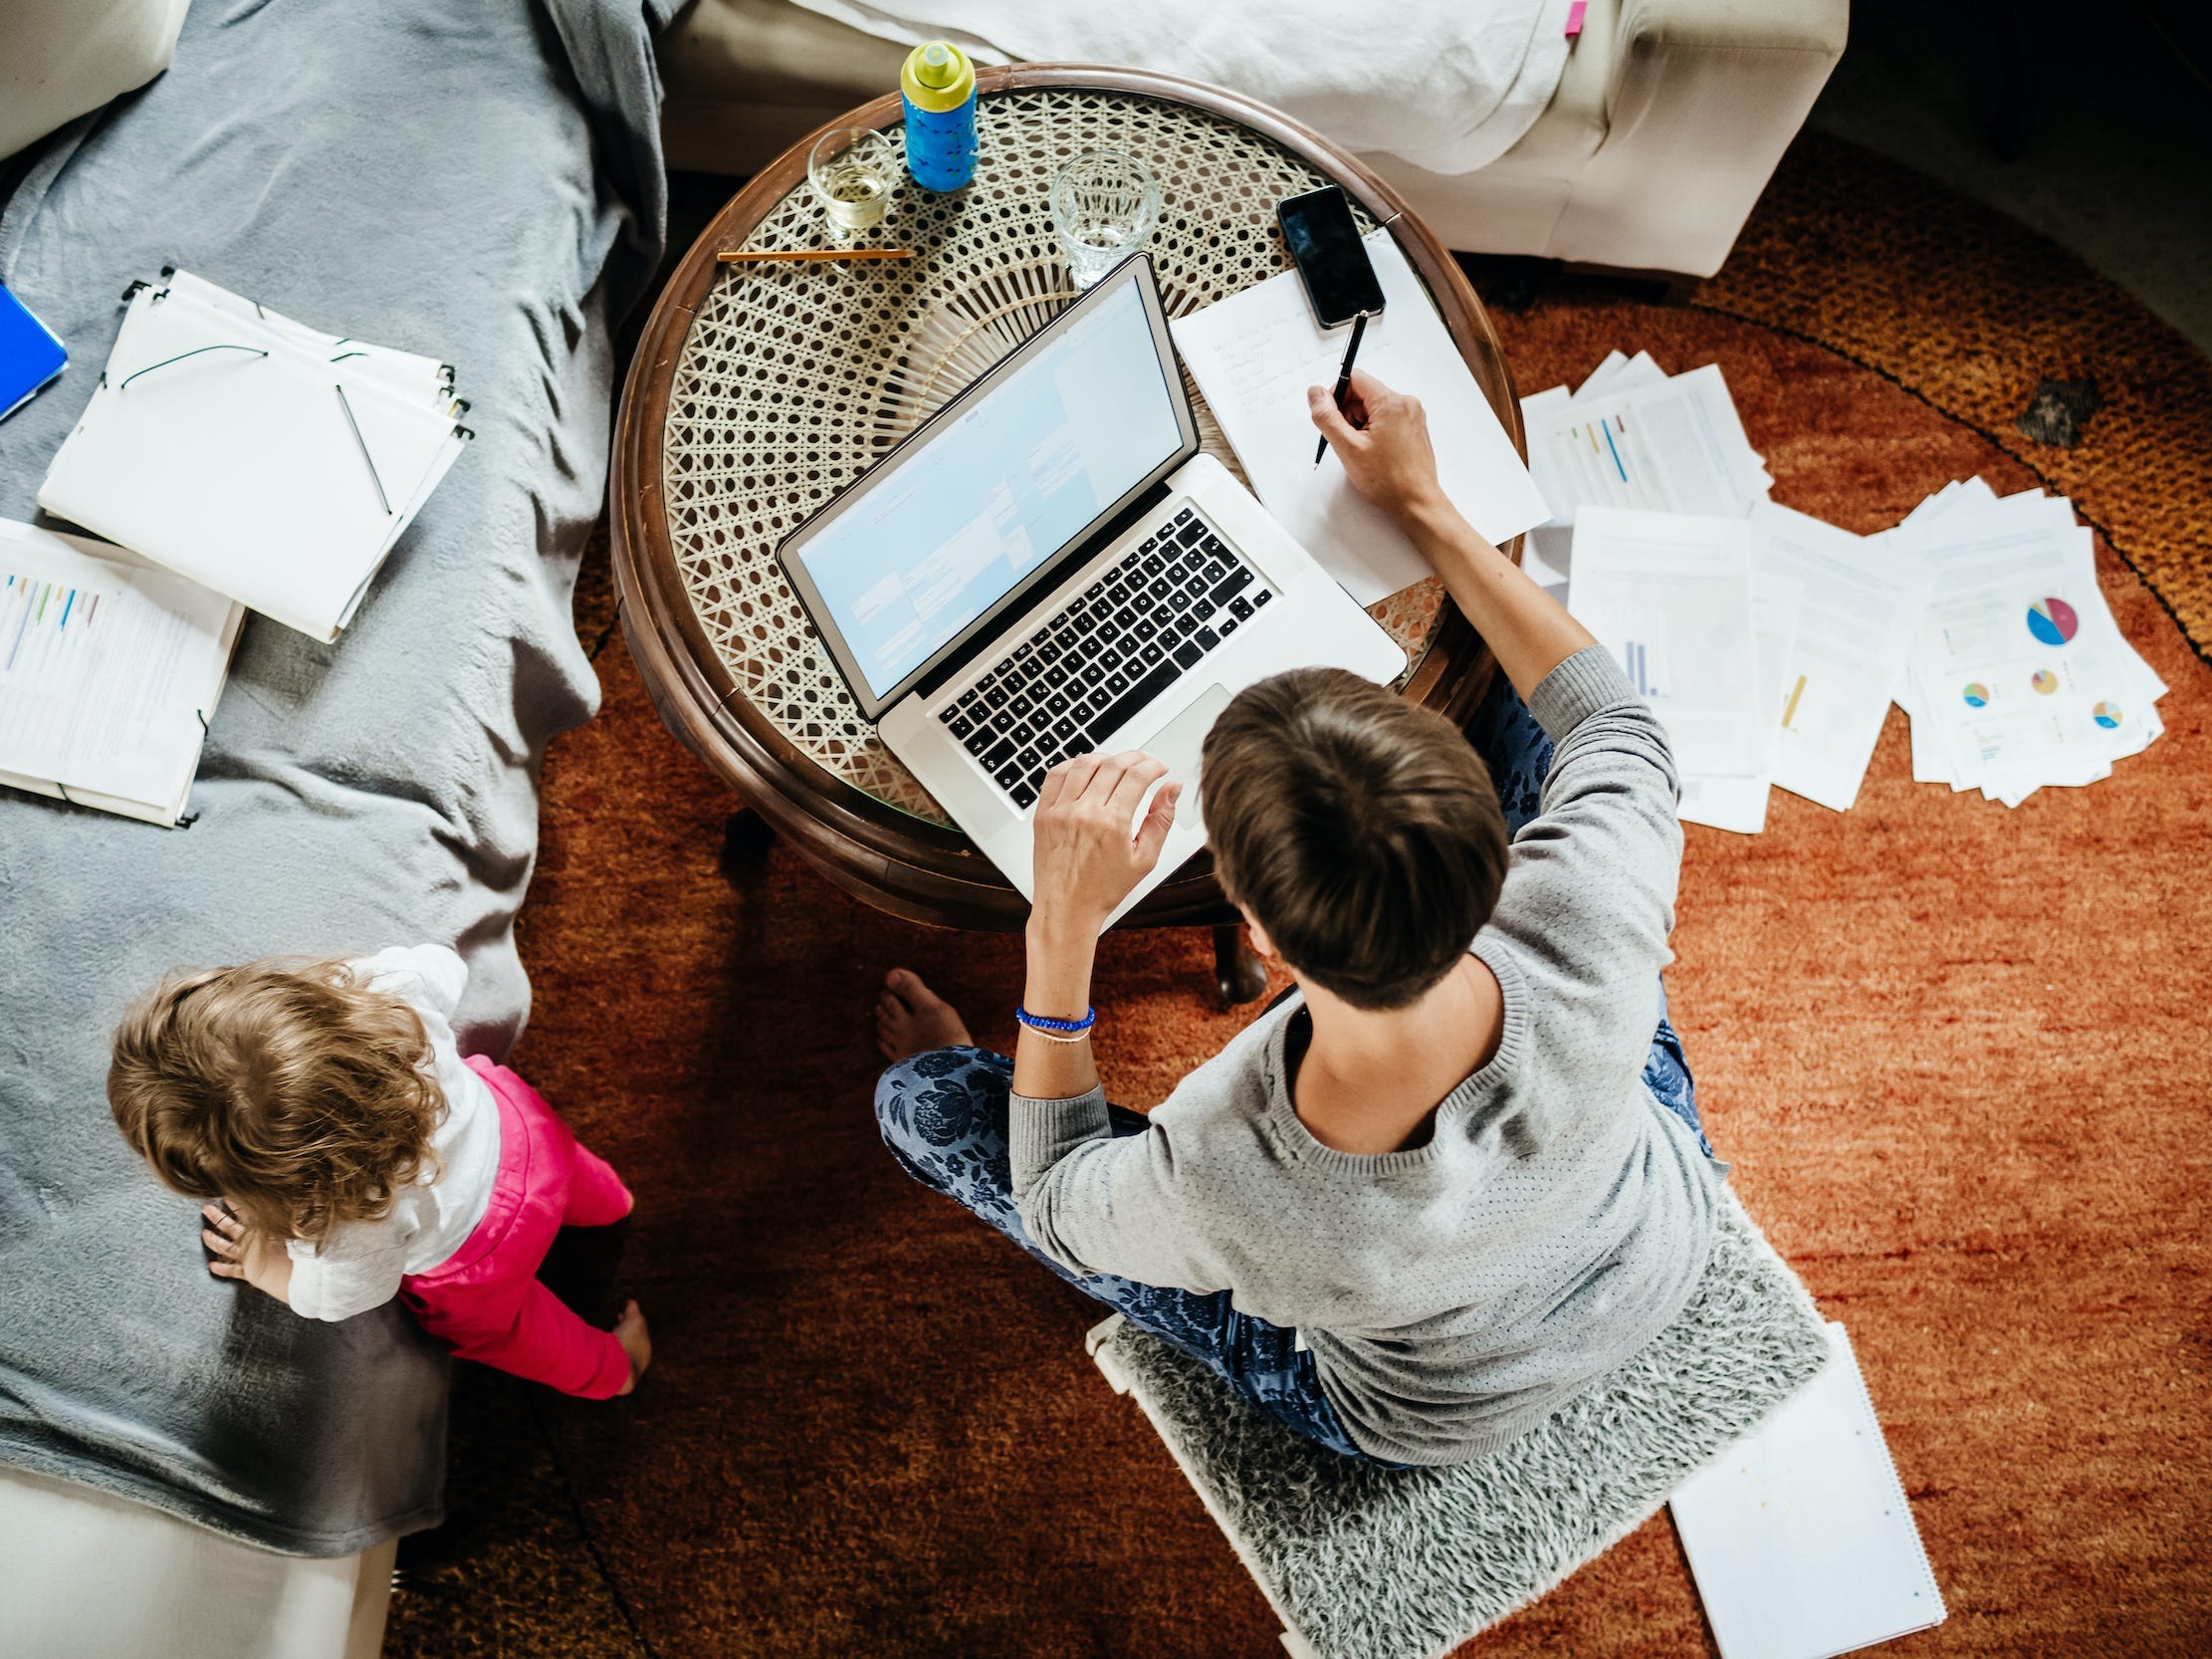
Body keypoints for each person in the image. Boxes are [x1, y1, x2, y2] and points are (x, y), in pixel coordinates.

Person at [873, 368, 1727, 1468]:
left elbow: (1053, 1198)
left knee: (925, 1103)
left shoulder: (1230, 1173)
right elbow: (1611, 720)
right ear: (1495, 844)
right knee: (1529, 693)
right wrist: (1423, 503)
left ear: (1259, 938)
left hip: (1412, 1410)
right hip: (1655, 1229)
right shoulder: (1591, 900)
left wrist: (1061, 935)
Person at [108, 944, 651, 1399]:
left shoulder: (345, 1225)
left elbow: (336, 1297)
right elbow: (445, 963)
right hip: (526, 1135)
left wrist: (260, 1264)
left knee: (508, 1332)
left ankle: (616, 1370)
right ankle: (611, 1203)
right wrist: (350, 988)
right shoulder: (390, 991)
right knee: (576, 1174)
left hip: (481, 1258)